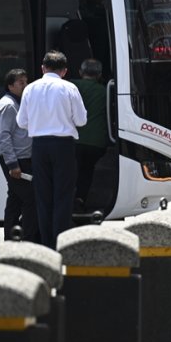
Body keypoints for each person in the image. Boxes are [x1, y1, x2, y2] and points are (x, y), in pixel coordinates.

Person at [16, 50, 87, 248]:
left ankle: (46, 243)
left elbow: (21, 122)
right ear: (64, 71)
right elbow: (81, 120)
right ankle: (60, 242)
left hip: (39, 145)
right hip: (63, 146)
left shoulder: (30, 89)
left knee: (43, 195)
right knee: (63, 195)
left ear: (43, 68)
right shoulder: (70, 87)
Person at [0, 69, 38, 241]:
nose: (25, 85)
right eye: (21, 82)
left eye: (26, 81)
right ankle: (27, 238)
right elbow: (4, 136)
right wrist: (13, 164)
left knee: (15, 199)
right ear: (10, 86)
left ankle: (11, 238)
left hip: (21, 159)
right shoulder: (8, 106)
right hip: (17, 161)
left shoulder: (18, 102)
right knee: (31, 199)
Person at [71, 58, 108, 207]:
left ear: (81, 72)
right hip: (97, 142)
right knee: (87, 170)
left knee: (72, 170)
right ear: (99, 75)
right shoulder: (105, 90)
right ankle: (80, 197)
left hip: (74, 140)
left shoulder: (72, 86)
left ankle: (69, 197)